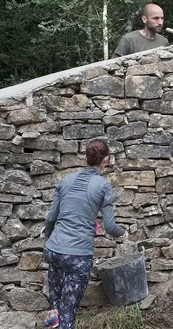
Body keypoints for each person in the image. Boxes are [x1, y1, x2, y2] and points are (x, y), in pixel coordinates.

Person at [42, 139, 128, 329]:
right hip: (77, 257)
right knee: (67, 316)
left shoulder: (66, 180)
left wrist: (50, 239)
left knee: (55, 310)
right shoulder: (103, 186)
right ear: (106, 160)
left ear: (86, 158)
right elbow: (110, 227)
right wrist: (124, 234)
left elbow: (51, 219)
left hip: (53, 251)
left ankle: (53, 318)